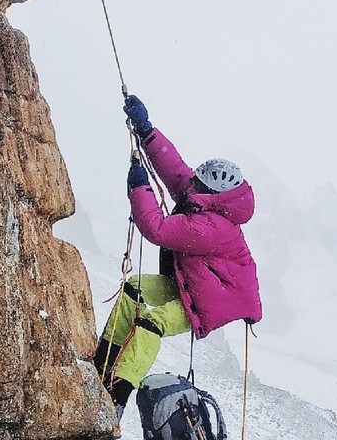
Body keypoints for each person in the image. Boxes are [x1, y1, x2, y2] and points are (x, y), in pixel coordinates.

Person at [93, 94, 263, 413]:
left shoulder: (211, 227)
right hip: (196, 285)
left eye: (197, 182)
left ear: (211, 193)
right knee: (135, 288)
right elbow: (174, 171)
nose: (191, 183)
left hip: (212, 300)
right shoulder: (205, 198)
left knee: (152, 322)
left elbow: (156, 228)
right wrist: (146, 130)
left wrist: (139, 187)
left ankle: (116, 396)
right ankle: (103, 362)